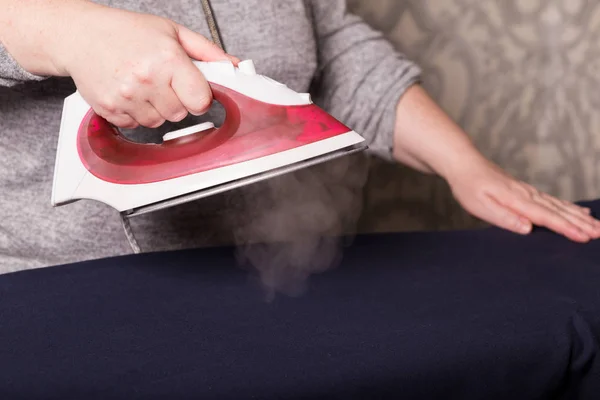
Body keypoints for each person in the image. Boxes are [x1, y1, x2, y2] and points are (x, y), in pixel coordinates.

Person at [1, 0, 599, 274]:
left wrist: (468, 166)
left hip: (276, 277)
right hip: (67, 293)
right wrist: (67, 31)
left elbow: (333, 47)